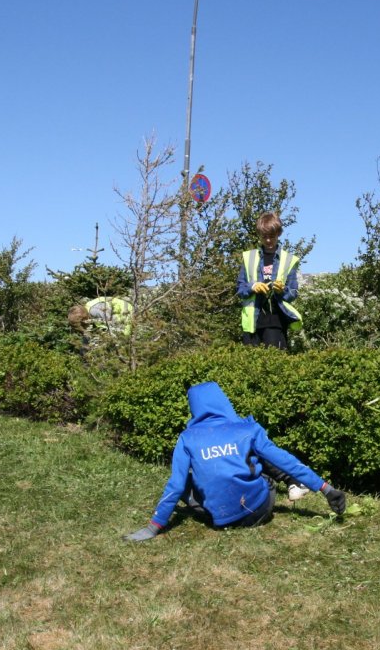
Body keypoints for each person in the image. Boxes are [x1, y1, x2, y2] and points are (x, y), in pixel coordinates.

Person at [124, 381, 347, 541]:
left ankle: (216, 507)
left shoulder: (187, 438)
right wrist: (326, 489)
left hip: (219, 519)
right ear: (223, 401)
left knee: (185, 482)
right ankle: (291, 484)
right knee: (260, 455)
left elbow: (176, 485)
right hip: (258, 512)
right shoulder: (247, 428)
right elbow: (285, 460)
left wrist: (153, 528)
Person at [237, 212, 302, 350]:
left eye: (271, 236)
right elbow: (240, 289)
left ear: (278, 234)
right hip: (252, 324)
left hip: (276, 322)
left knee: (275, 365)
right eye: (264, 236)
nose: (268, 240)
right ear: (259, 235)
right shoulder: (249, 257)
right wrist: (253, 287)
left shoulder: (288, 259)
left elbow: (293, 293)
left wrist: (281, 290)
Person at [68, 296, 132, 338]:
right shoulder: (88, 307)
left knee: (124, 336)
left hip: (126, 312)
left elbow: (108, 319)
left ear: (83, 319)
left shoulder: (93, 311)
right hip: (123, 312)